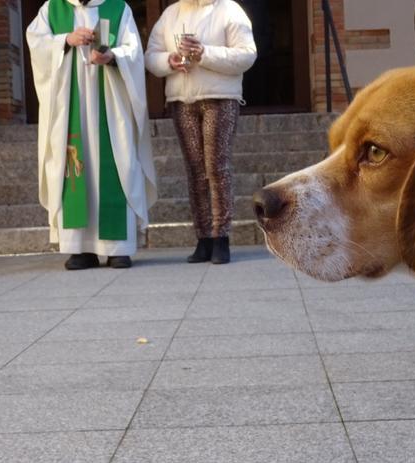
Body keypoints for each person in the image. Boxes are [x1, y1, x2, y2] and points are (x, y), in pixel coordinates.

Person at [27, 0, 157, 270]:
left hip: (110, 104)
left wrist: (112, 56)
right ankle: (79, 248)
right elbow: (36, 42)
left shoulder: (118, 8)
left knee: (119, 162)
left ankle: (118, 247)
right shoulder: (53, 9)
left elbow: (133, 51)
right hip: (69, 107)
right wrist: (65, 39)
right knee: (72, 167)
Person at [145, 0, 257, 264]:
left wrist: (204, 53)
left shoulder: (228, 9)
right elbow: (151, 56)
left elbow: (247, 54)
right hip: (181, 100)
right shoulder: (171, 13)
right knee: (195, 170)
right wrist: (169, 61)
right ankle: (203, 238)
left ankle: (222, 237)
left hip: (219, 97)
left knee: (216, 168)